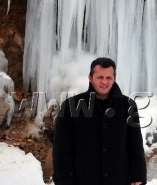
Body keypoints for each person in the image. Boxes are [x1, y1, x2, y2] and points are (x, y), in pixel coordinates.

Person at [52, 57, 147, 185]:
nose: (104, 82)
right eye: (100, 77)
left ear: (114, 79)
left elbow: (135, 144)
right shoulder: (71, 106)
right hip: (83, 180)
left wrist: (138, 175)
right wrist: (64, 180)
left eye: (109, 78)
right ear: (90, 78)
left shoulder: (128, 105)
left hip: (119, 179)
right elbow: (62, 149)